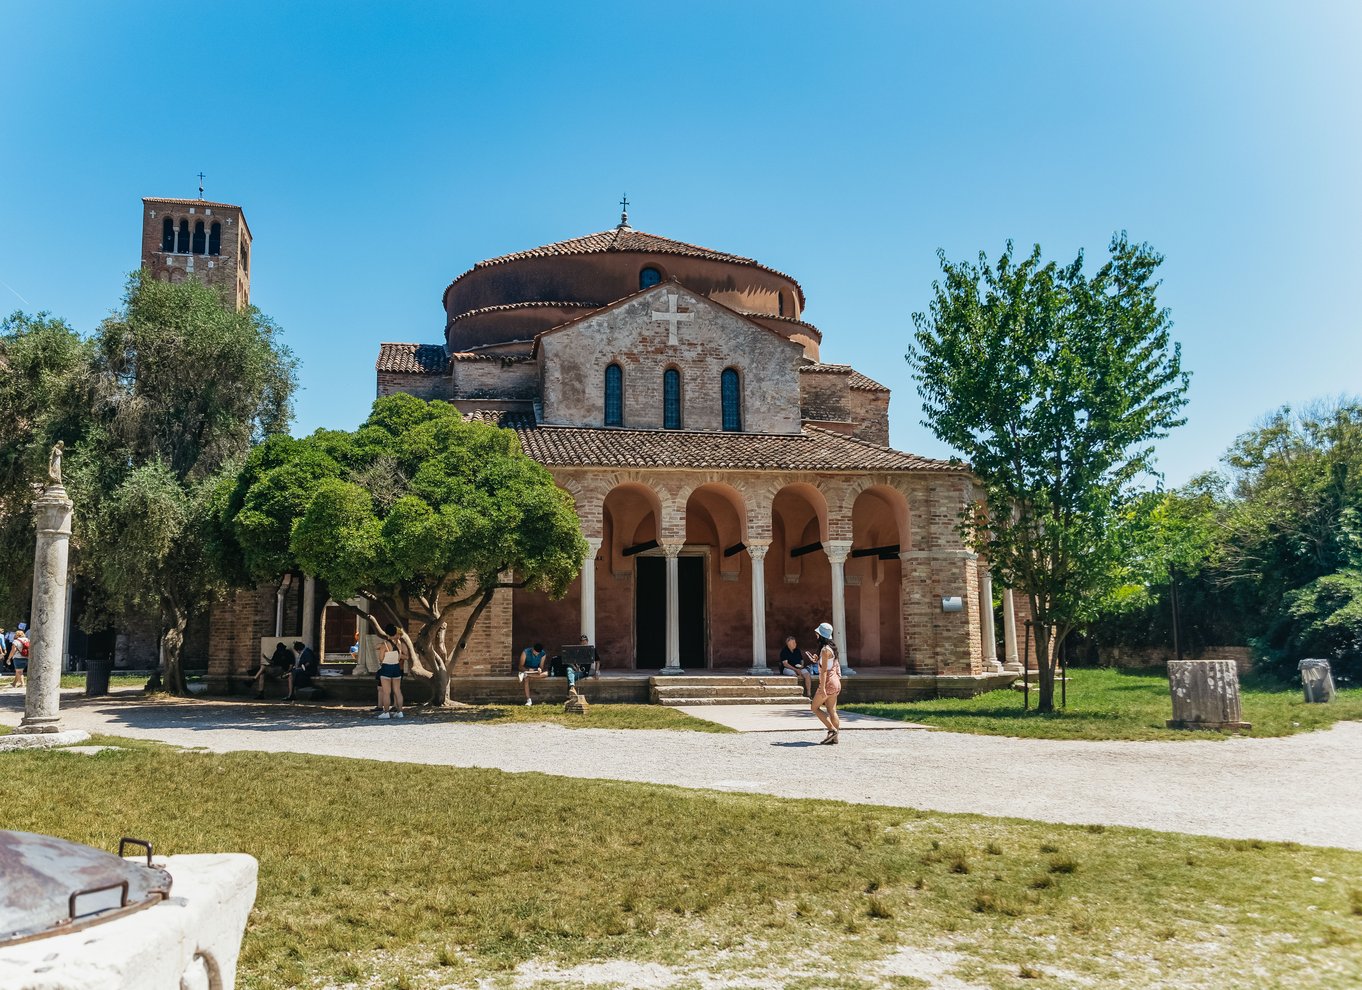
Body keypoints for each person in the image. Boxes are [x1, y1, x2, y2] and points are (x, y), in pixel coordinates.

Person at [808, 621, 842, 745]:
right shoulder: (832, 648)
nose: (816, 635)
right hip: (836, 681)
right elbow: (830, 664)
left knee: (814, 707)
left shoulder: (824, 650)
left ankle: (832, 730)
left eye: (817, 633)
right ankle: (835, 737)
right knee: (832, 710)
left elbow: (823, 672)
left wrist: (822, 688)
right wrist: (817, 660)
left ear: (821, 635)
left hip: (828, 682)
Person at [375, 623, 407, 719]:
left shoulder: (384, 644)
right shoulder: (399, 643)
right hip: (396, 667)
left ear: (387, 633)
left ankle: (386, 712)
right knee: (397, 691)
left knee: (386, 692)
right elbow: (399, 655)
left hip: (386, 668)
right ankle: (400, 712)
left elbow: (381, 658)